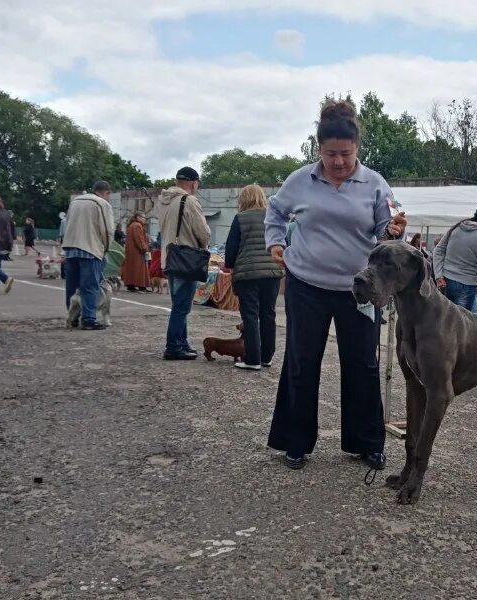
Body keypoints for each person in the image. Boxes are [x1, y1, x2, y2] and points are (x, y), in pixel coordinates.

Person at [264, 100, 407, 471]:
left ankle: (367, 442)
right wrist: (275, 241)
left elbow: (385, 228)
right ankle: (295, 442)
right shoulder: (300, 180)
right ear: (319, 149)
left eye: (346, 153)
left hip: (361, 289)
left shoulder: (375, 184)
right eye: (331, 154)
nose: (339, 162)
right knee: (301, 361)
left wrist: (392, 230)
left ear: (357, 149)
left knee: (362, 363)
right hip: (306, 285)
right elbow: (275, 211)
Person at [224, 184, 284, 371]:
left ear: (243, 199)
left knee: (250, 315)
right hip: (272, 273)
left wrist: (231, 266)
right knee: (268, 314)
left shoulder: (240, 218)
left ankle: (252, 359)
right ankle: (266, 357)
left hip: (247, 274)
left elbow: (231, 249)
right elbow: (284, 243)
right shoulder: (272, 218)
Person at [157, 167, 211, 360]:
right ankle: (173, 346)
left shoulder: (164, 201)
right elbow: (202, 232)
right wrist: (206, 243)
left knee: (179, 303)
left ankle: (182, 343)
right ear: (194, 182)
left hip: (170, 257)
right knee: (182, 306)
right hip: (186, 259)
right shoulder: (189, 201)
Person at [62, 181, 115, 330]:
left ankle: (73, 317)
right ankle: (89, 319)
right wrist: (106, 249)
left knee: (72, 286)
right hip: (90, 249)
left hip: (71, 247)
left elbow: (67, 223)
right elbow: (107, 230)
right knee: (90, 285)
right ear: (106, 193)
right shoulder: (102, 204)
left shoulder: (75, 202)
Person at [433, 203, 477, 313]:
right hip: (467, 285)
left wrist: (438, 275)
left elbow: (438, 250)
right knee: (459, 326)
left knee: (464, 321)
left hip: (446, 281)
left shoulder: (456, 228)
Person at [122, 212, 151, 293]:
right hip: (138, 252)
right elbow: (139, 239)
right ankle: (142, 286)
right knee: (140, 269)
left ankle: (130, 285)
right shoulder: (137, 225)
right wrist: (144, 249)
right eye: (143, 218)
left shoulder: (132, 225)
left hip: (132, 251)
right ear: (138, 217)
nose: (145, 220)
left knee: (132, 268)